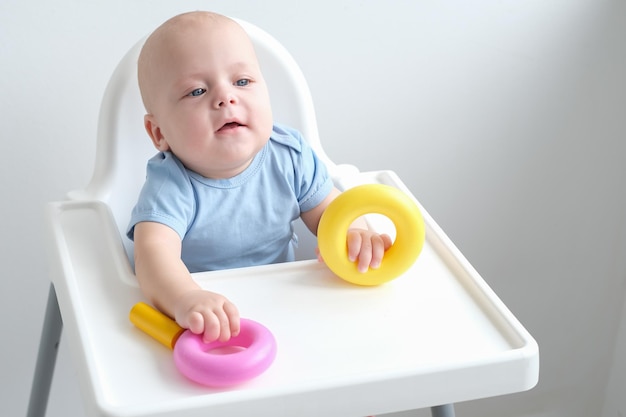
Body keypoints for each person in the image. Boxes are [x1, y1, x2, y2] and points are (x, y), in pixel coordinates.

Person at [126, 11, 391, 344]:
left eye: (241, 81)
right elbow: (153, 258)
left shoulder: (289, 155)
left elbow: (331, 214)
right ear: (159, 131)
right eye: (196, 91)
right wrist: (185, 298)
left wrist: (355, 235)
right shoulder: (170, 185)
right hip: (213, 327)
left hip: (289, 309)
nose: (226, 97)